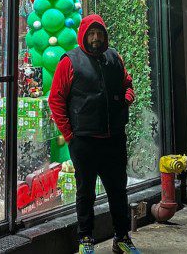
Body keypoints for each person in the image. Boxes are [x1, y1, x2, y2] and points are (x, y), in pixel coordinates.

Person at [49, 14, 139, 254]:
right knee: (85, 193)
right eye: (91, 33)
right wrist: (70, 135)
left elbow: (127, 84)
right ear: (83, 35)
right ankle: (85, 240)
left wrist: (128, 97)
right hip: (84, 141)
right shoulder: (69, 61)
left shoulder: (114, 58)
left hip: (114, 139)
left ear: (105, 35)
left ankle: (122, 238)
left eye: (99, 33)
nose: (96, 38)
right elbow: (55, 99)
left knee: (118, 191)